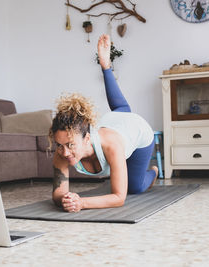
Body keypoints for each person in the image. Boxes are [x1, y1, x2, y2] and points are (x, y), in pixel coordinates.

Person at [49, 34, 158, 213]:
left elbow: (118, 198)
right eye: (60, 146)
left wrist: (82, 203)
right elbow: (57, 195)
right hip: (115, 119)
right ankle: (106, 65)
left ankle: (153, 173)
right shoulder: (63, 151)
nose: (64, 152)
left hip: (137, 131)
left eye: (70, 145)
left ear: (87, 138)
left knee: (134, 187)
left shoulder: (111, 146)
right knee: (122, 107)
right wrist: (67, 199)